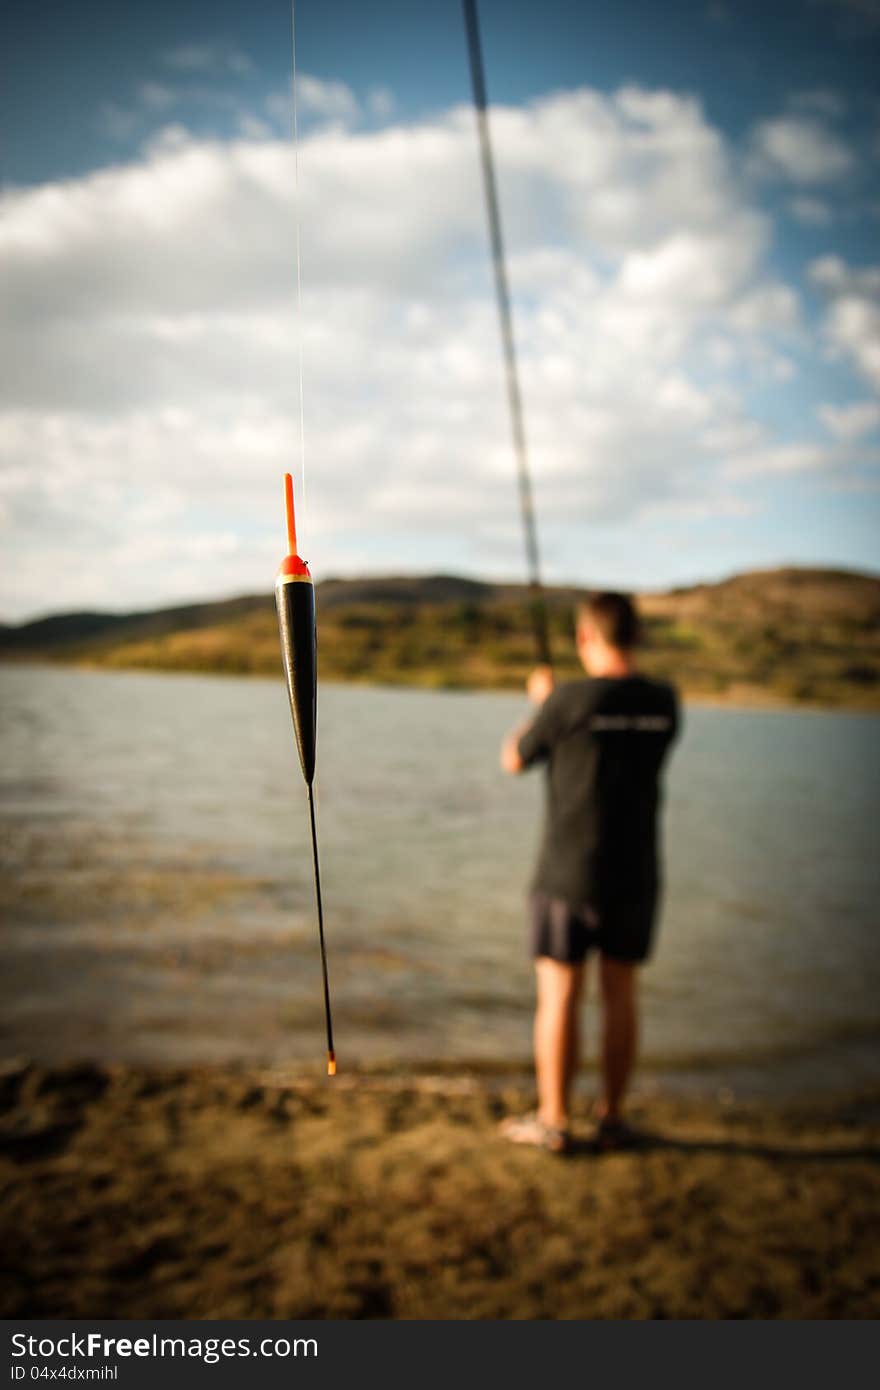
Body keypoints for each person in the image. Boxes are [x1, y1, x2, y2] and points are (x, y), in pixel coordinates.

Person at [499, 591, 679, 1153]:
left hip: (567, 875)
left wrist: (542, 704)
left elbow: (514, 759)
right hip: (637, 876)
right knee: (621, 995)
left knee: (559, 997)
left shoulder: (567, 701)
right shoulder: (665, 701)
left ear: (585, 637)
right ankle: (613, 1117)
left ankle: (554, 1121)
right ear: (636, 635)